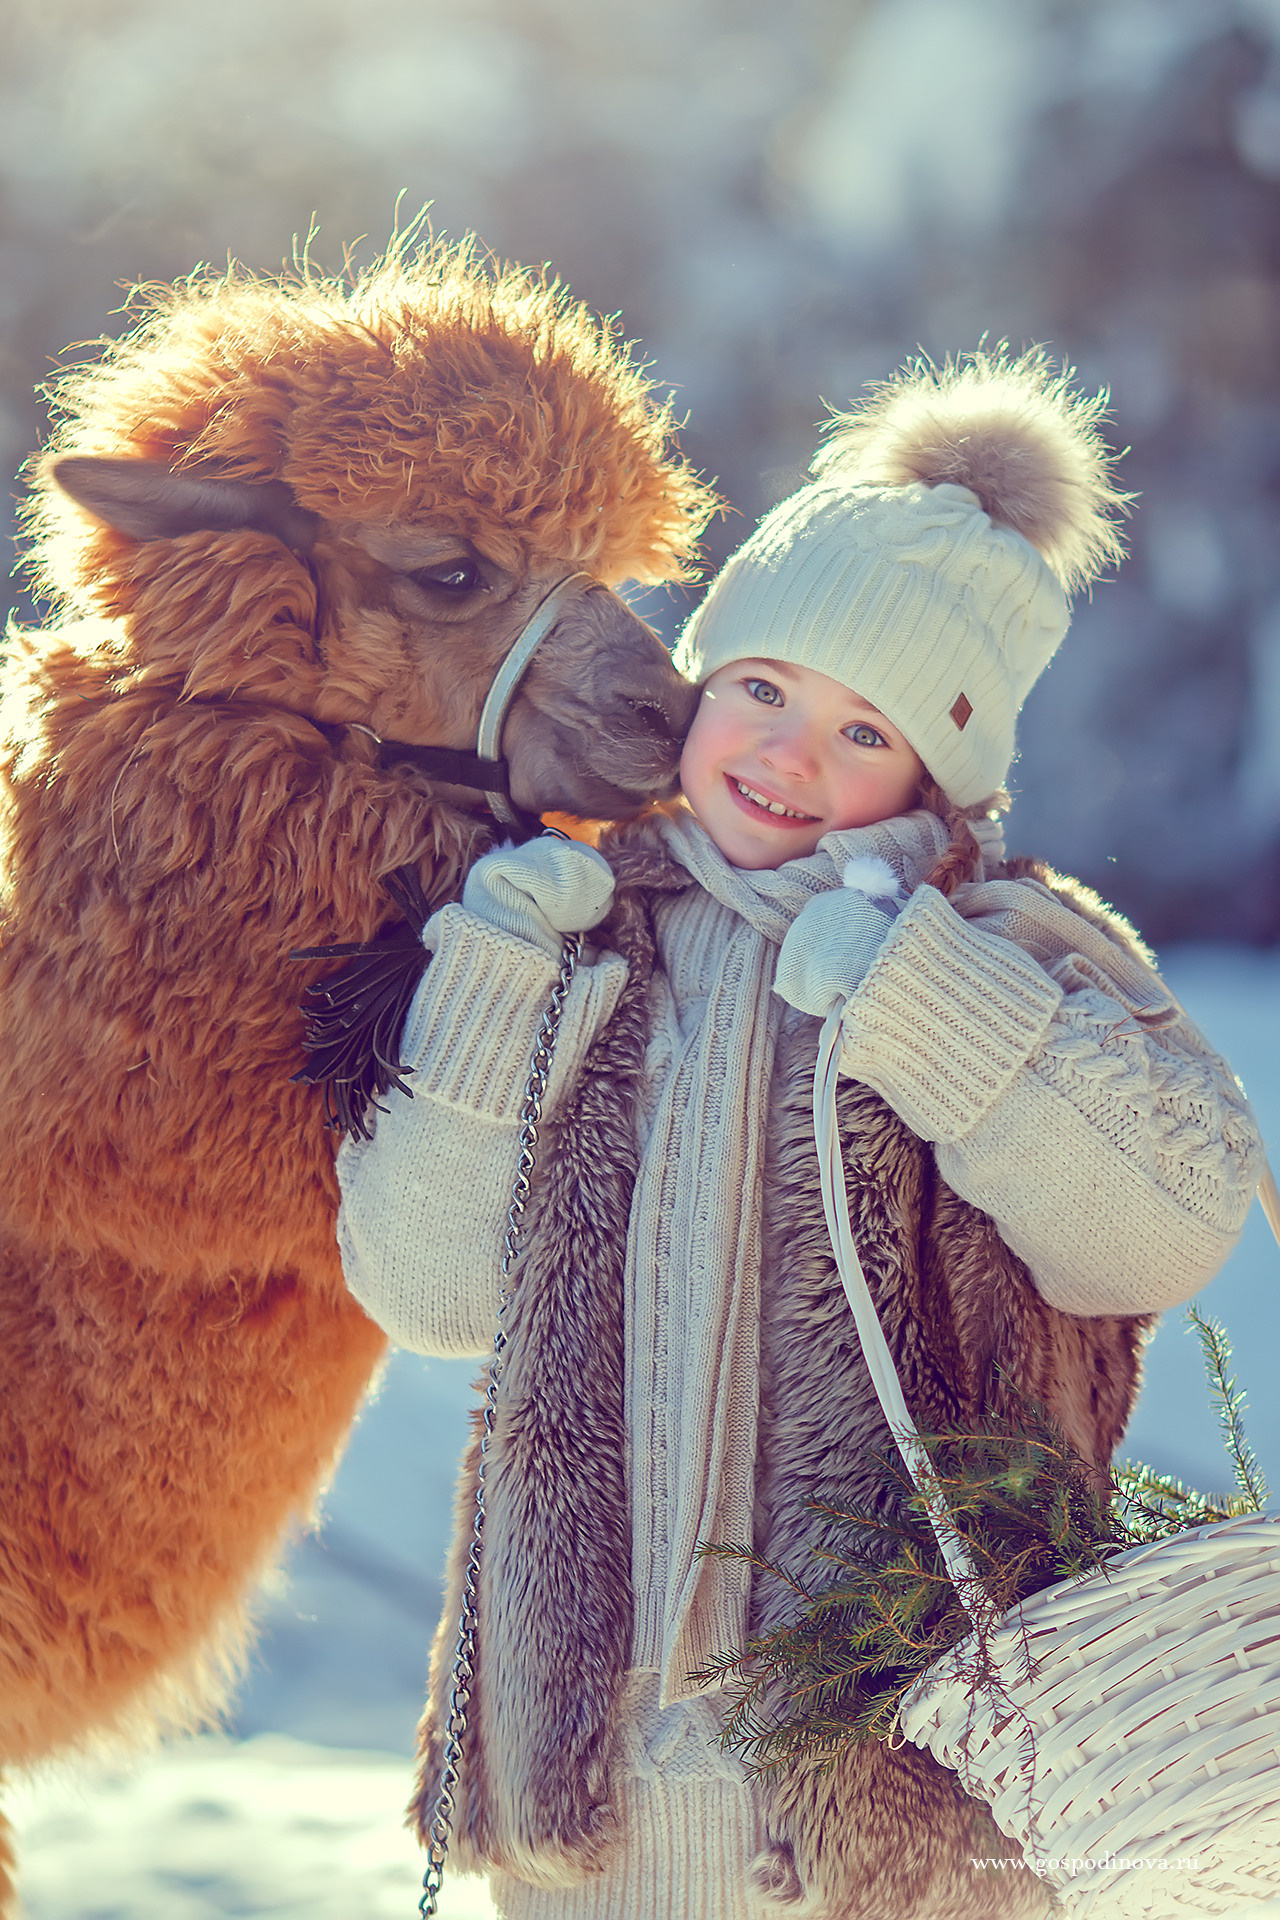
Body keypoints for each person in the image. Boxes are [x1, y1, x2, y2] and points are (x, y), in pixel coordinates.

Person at [335, 348, 1261, 1920]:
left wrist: (925, 1002)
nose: (787, 757)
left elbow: (1165, 1227)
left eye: (864, 733)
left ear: (939, 773)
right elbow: (424, 1292)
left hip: (923, 1778)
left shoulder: (1016, 953)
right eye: (761, 691)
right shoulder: (578, 946)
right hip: (600, 1784)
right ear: (699, 686)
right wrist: (492, 980)